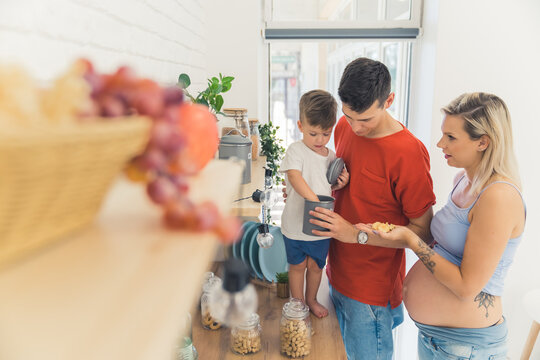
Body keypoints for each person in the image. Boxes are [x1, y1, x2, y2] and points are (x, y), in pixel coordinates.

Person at [311, 92, 525, 359]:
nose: (439, 143)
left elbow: (466, 286)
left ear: (483, 142)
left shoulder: (499, 197)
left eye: (451, 138)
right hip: (437, 339)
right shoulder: (464, 181)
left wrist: (412, 241)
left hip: (466, 346)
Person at [300, 58, 436, 359]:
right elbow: (349, 189)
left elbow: (422, 231)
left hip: (371, 294)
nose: (355, 128)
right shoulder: (343, 128)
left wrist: (355, 235)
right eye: (349, 117)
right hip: (334, 273)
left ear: (389, 100)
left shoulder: (409, 153)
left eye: (366, 120)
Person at [280, 89, 349, 318]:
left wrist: (340, 183)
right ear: (300, 126)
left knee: (316, 266)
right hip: (295, 225)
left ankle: (311, 299)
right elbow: (294, 177)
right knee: (297, 266)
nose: (320, 140)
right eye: (313, 134)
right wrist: (313, 200)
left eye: (326, 134)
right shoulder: (296, 151)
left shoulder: (330, 156)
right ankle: (298, 302)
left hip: (320, 227)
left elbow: (328, 185)